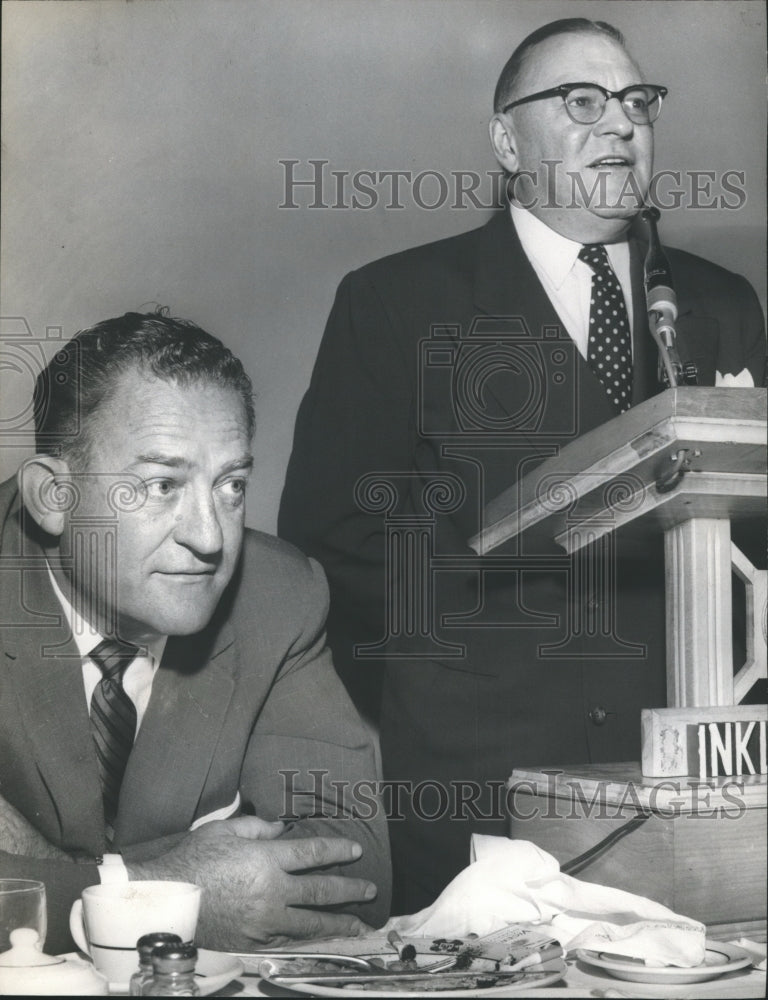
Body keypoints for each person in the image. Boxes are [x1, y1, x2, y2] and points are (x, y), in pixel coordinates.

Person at [278, 18, 766, 914]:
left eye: (636, 102)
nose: (619, 124)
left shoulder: (723, 305)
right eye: (581, 101)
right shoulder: (394, 303)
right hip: (476, 802)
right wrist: (519, 569)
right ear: (506, 140)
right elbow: (330, 543)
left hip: (689, 801)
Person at [0, 310, 391, 954]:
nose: (209, 537)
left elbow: (356, 874)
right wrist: (161, 886)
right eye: (162, 485)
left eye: (231, 485)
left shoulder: (280, 594)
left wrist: (38, 865)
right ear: (53, 497)